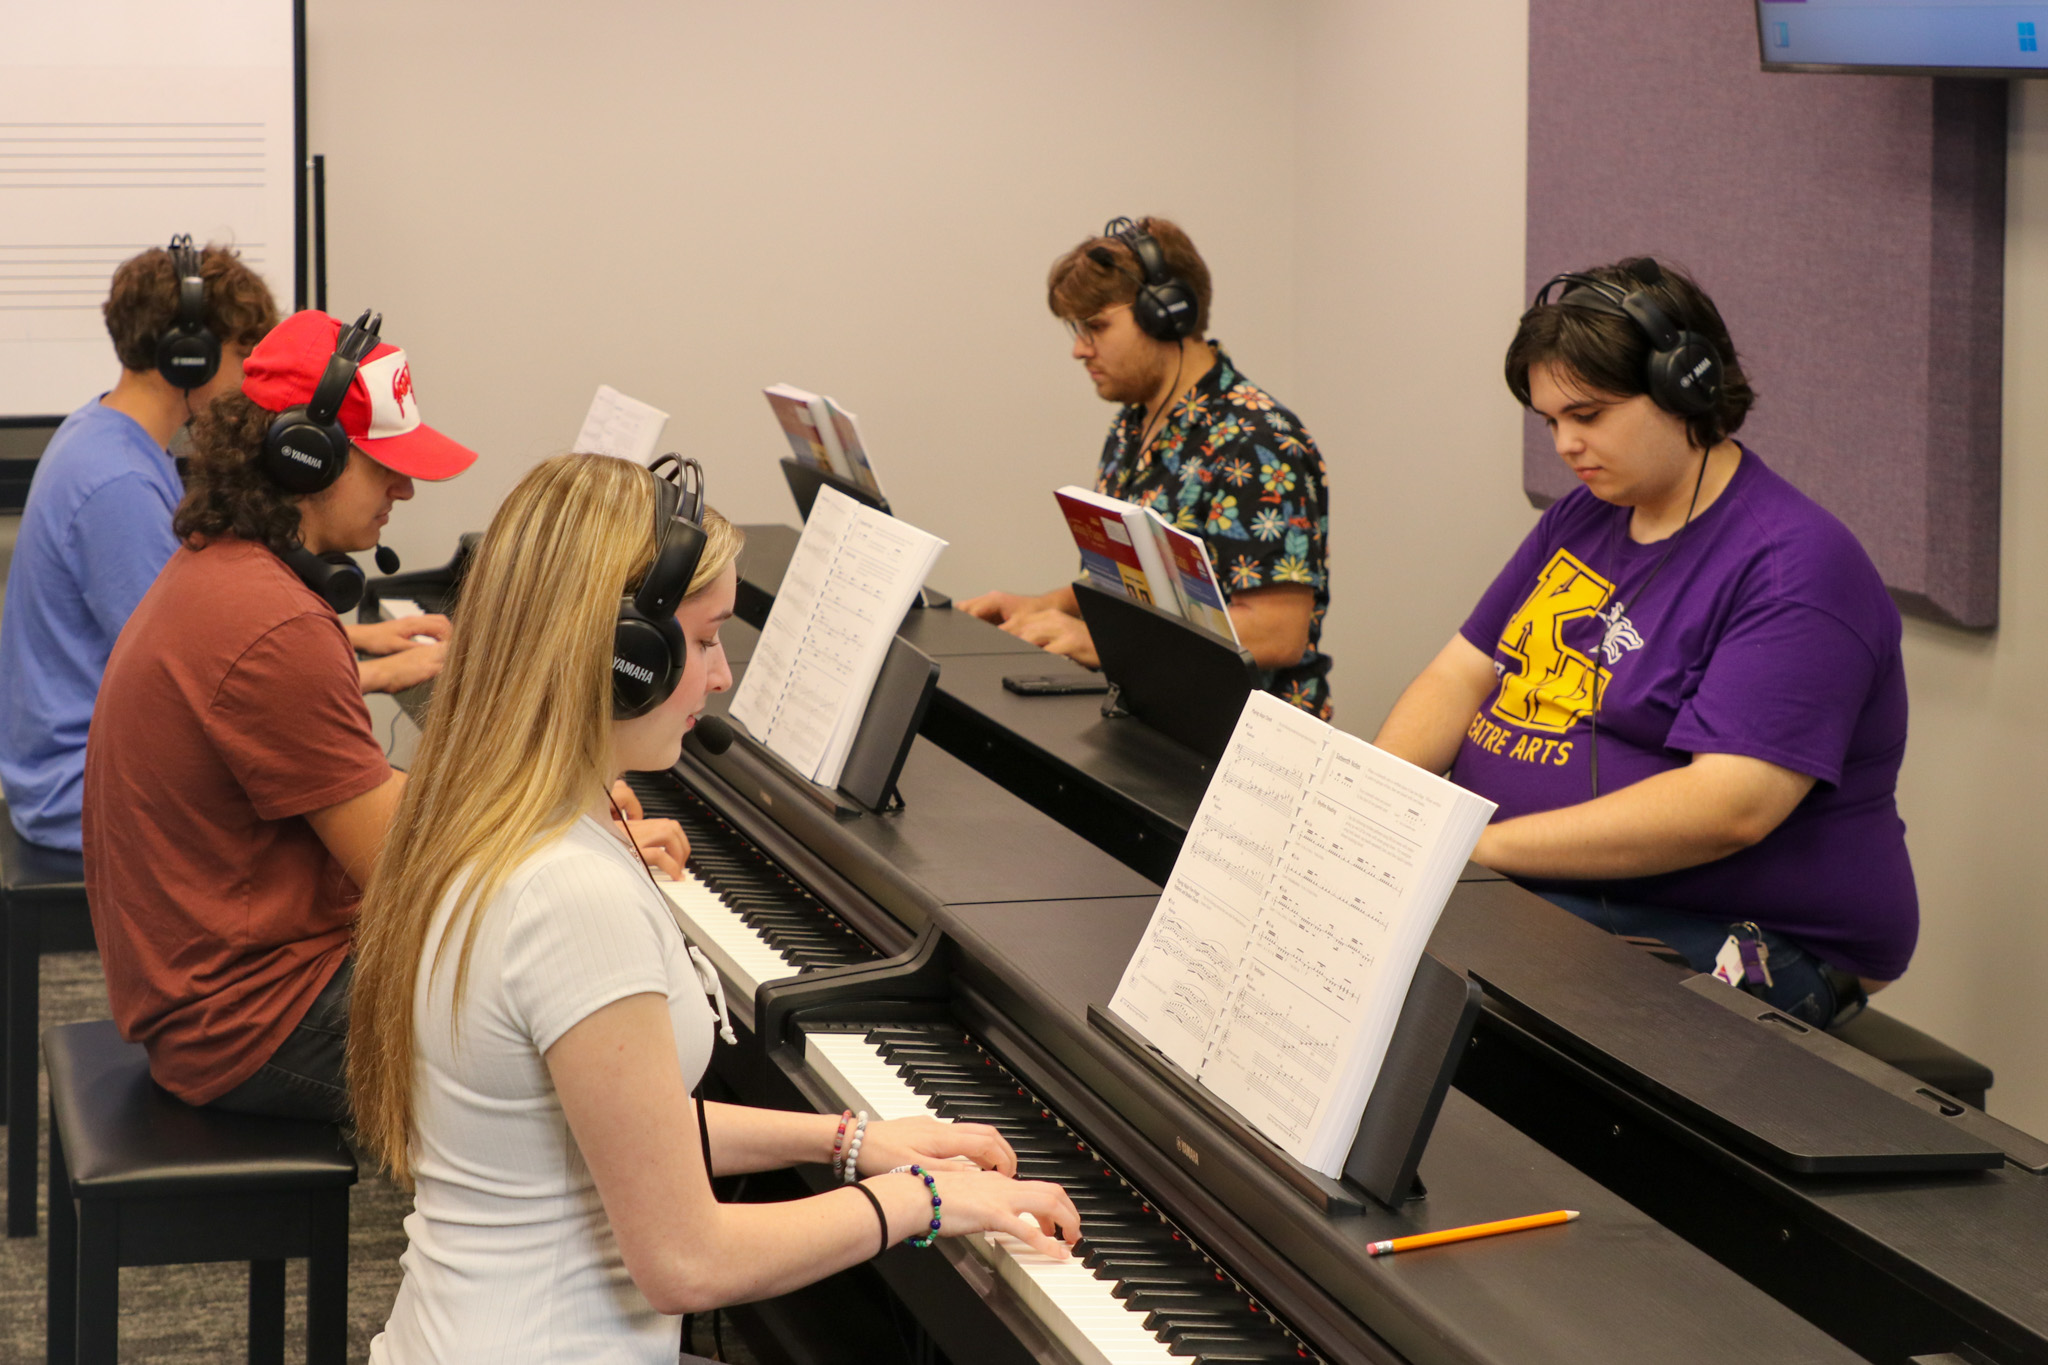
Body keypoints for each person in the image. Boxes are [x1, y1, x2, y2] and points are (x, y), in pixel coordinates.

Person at [348, 453, 1082, 1363]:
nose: (723, 675)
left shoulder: (479, 816)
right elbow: (686, 1261)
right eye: (701, 641)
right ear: (621, 658)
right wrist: (929, 1200)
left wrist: (853, 1138)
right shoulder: (568, 893)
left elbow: (623, 1125)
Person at [1372, 258, 1914, 1026]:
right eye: (1550, 420)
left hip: (1744, 936)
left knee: (1426, 997)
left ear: (1683, 390)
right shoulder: (1584, 517)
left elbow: (1728, 807)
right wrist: (1371, 807)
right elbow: (1460, 672)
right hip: (1540, 880)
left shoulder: (1797, 566)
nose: (1564, 444)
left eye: (1587, 416)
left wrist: (1474, 852)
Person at [79, 307, 500, 1122]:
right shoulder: (274, 624)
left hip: (215, 989)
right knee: (571, 1033)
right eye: (385, 465)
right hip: (250, 1024)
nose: (405, 489)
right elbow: (406, 873)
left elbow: (375, 798)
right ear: (306, 458)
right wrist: (567, 817)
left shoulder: (231, 573)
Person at [961, 216, 1334, 716]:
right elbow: (1133, 587)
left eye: (1096, 326)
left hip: (1245, 753)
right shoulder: (1133, 425)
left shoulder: (1259, 443)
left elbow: (1278, 633)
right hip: (1158, 724)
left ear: (1167, 315)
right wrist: (1044, 606)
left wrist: (1098, 641)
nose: (1079, 349)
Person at [0, 237, 276, 851]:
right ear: (188, 358)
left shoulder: (103, 433)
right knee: (300, 815)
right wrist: (375, 673)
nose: (249, 373)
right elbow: (195, 670)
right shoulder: (117, 482)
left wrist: (357, 642)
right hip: (76, 786)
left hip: (83, 765)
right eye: (241, 352)